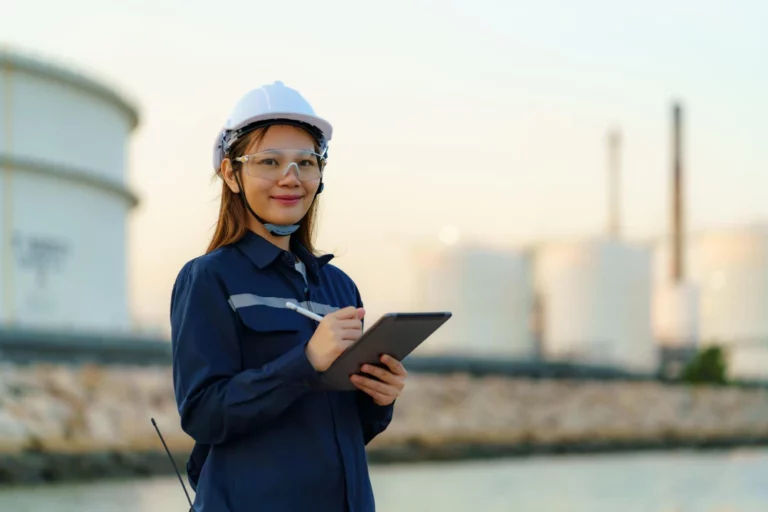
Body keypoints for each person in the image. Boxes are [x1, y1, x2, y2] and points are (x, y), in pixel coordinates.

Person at [169, 81, 407, 511]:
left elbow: (345, 429)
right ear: (231, 174)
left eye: (306, 162)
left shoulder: (339, 286)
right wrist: (306, 361)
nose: (290, 178)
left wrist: (379, 398)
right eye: (269, 161)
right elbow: (203, 414)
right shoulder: (209, 278)